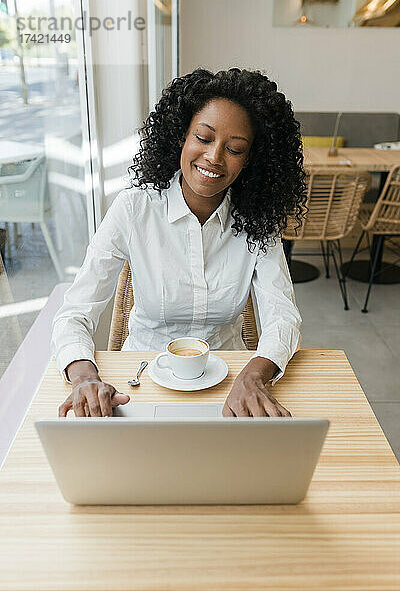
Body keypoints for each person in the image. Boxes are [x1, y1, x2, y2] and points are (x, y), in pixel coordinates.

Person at [52, 67, 306, 419]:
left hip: (230, 386)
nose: (214, 157)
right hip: (139, 383)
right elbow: (75, 312)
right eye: (203, 137)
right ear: (181, 137)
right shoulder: (134, 209)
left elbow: (283, 317)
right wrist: (84, 377)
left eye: (234, 149)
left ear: (251, 160)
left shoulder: (257, 219)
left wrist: (255, 375)